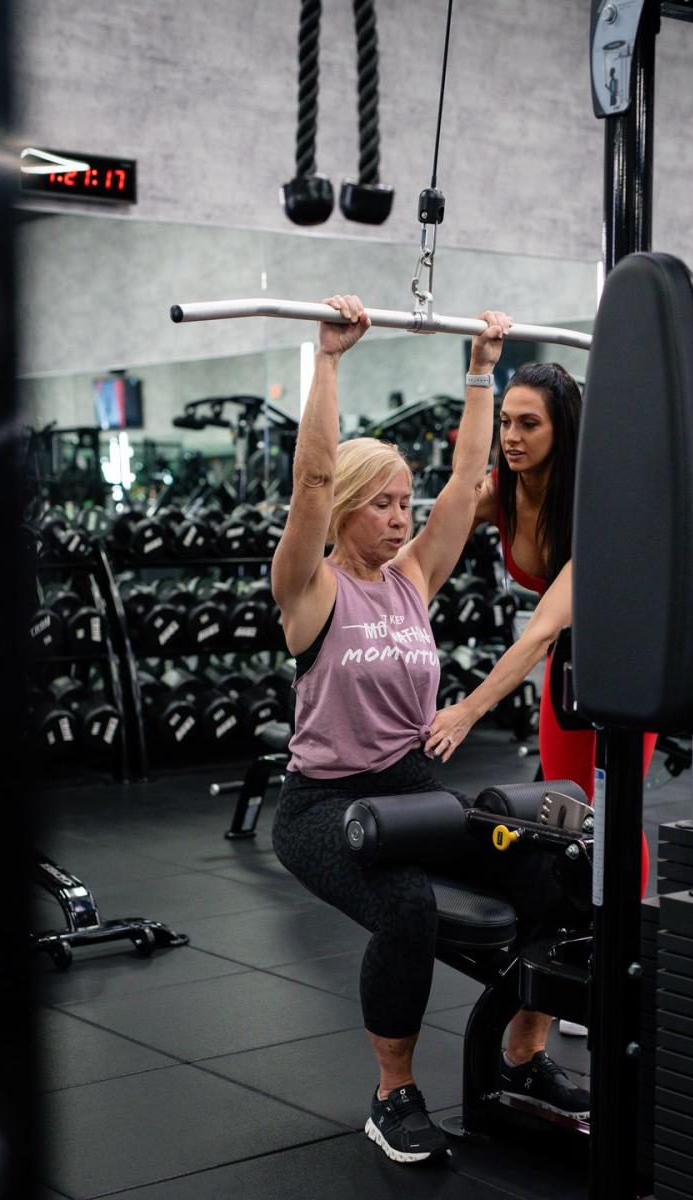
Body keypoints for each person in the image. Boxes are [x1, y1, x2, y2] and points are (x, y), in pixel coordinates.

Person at [271, 296, 590, 1166]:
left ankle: (522, 1056)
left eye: (404, 503)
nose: (401, 517)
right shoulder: (313, 591)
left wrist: (483, 370)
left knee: (552, 866)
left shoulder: (412, 578)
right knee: (405, 908)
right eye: (381, 505)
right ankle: (393, 1097)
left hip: (410, 790)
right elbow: (306, 481)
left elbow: (464, 484)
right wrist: (329, 360)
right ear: (344, 512)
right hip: (322, 807)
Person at [423, 361, 658, 896]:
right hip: (571, 655)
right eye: (505, 422)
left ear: (562, 429)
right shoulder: (500, 491)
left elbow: (540, 632)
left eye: (528, 424)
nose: (511, 437)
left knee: (610, 808)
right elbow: (431, 543)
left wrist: (466, 711)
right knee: (563, 808)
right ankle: (580, 926)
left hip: (627, 657)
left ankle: (623, 934)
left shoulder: (593, 508)